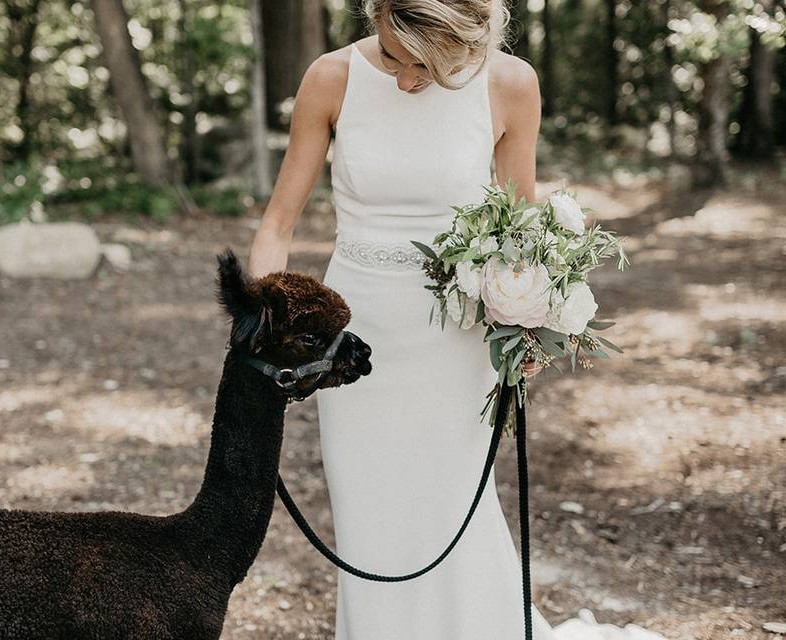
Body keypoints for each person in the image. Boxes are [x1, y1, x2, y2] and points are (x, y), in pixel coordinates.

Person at [247, 2, 667, 638]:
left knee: (451, 508)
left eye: (430, 59)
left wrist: (532, 323)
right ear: (376, 11)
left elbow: (521, 230)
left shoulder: (511, 84)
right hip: (356, 339)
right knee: (369, 515)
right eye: (394, 52)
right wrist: (262, 319)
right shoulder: (331, 78)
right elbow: (277, 224)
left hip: (457, 338)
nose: (409, 77)